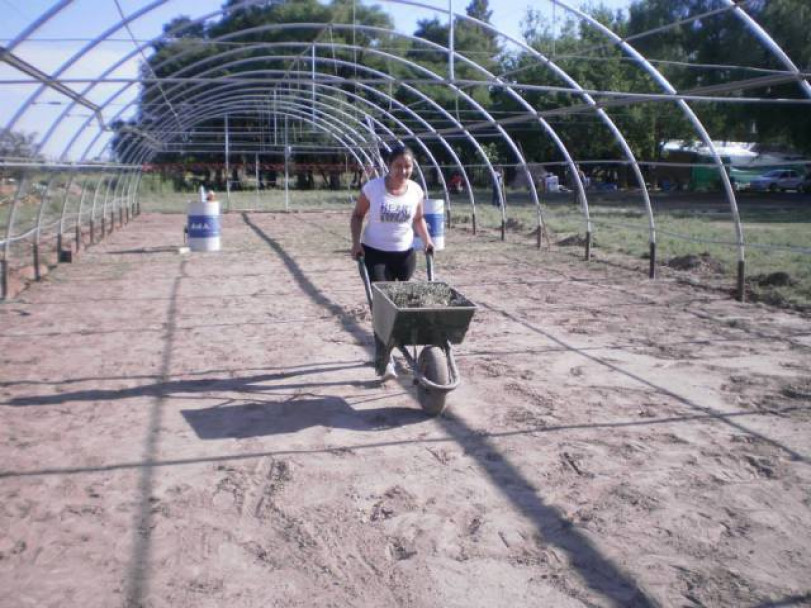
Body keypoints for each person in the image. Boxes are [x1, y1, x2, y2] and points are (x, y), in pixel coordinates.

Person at [350, 144, 435, 382]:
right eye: (398, 166)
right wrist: (356, 243)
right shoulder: (373, 188)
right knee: (383, 308)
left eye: (408, 166)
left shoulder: (416, 190)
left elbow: (418, 219)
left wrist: (427, 240)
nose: (403, 171)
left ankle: (404, 350)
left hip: (404, 254)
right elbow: (357, 216)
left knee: (403, 308)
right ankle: (385, 361)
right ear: (389, 165)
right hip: (375, 253)